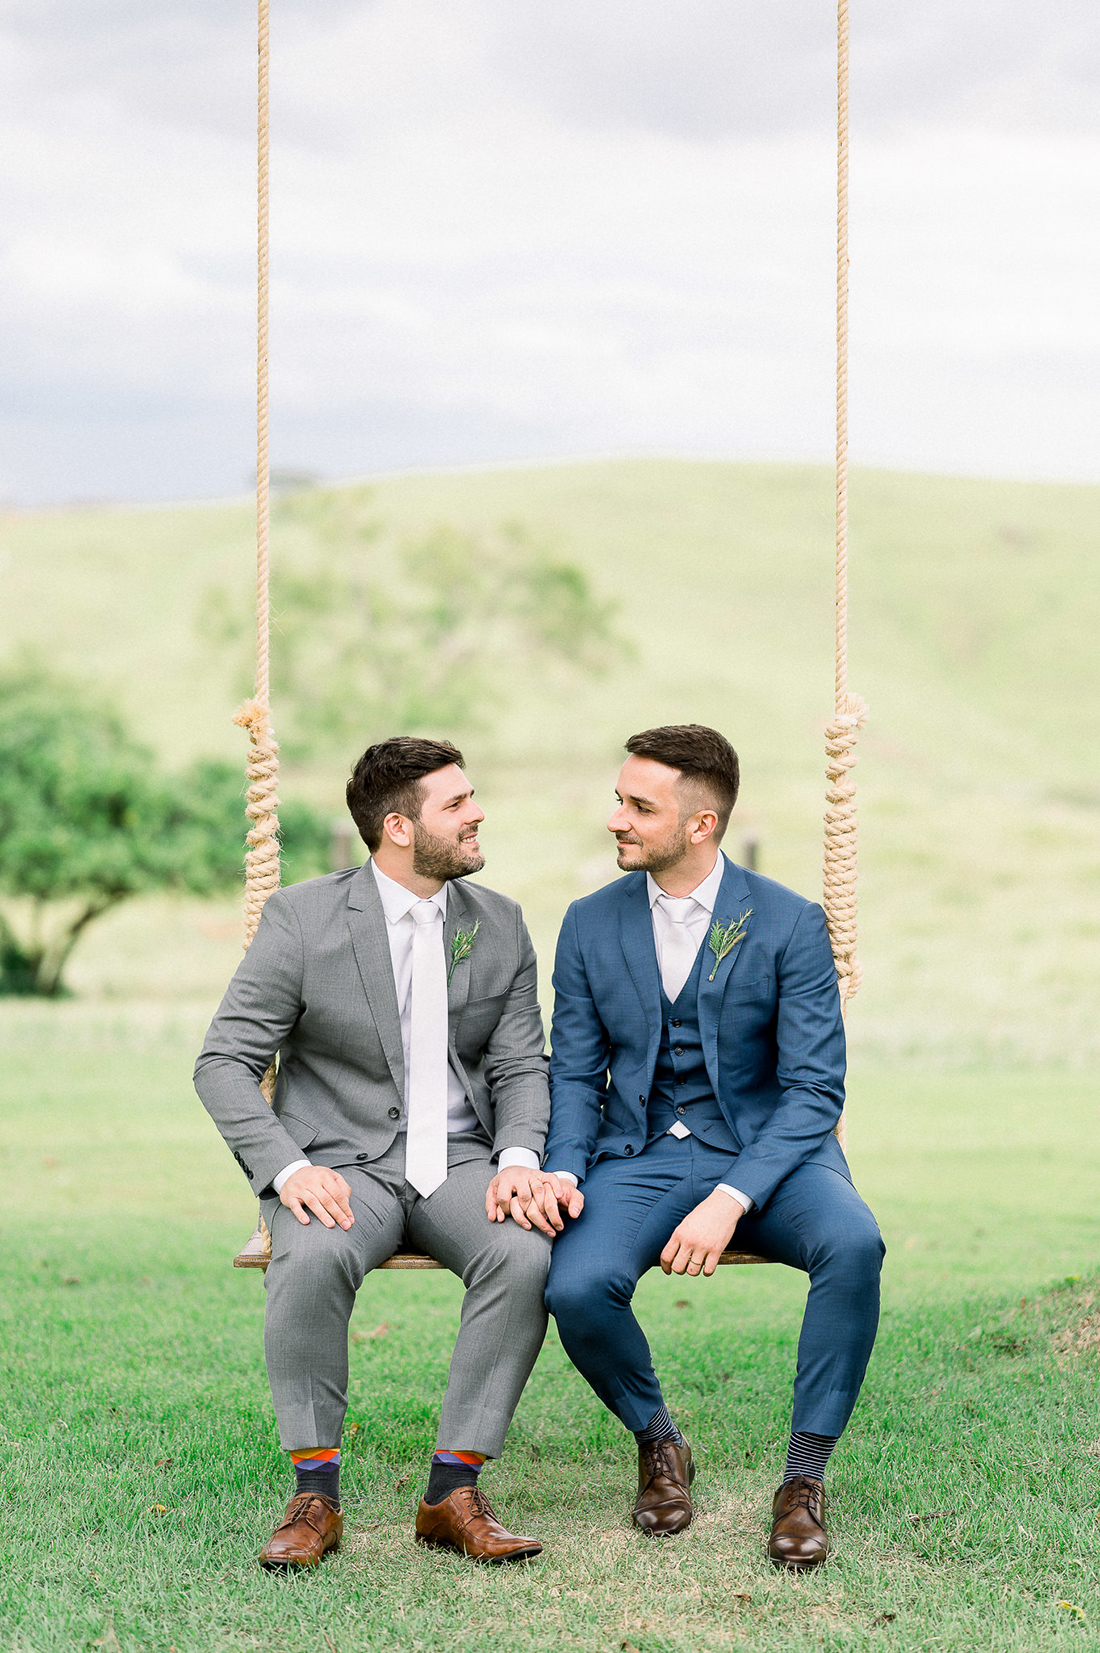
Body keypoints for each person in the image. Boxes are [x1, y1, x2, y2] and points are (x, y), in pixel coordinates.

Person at [194, 737, 563, 1569]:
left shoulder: (497, 923)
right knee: (313, 1252)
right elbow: (222, 1061)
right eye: (457, 803)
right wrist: (289, 1168)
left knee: (524, 1249)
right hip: (340, 1162)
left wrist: (516, 1157)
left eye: (473, 797)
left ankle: (451, 1489)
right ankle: (315, 1492)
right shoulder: (303, 918)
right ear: (399, 826)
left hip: (464, 1160)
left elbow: (517, 1063)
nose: (477, 814)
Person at [538, 724, 885, 1570]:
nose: (615, 817)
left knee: (854, 1242)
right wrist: (561, 1165)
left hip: (771, 1155)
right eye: (620, 798)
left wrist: (732, 1198)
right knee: (576, 1285)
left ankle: (803, 1480)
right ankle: (660, 1442)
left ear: (701, 823)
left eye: (637, 805)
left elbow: (814, 1091)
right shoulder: (588, 923)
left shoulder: (790, 922)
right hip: (643, 1152)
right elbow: (577, 1075)